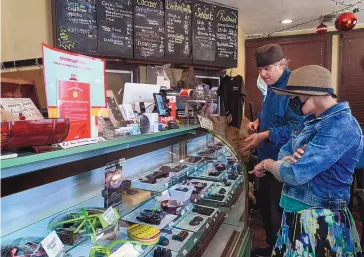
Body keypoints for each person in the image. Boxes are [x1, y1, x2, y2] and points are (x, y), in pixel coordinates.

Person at [250, 65, 364, 256]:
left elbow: (295, 174)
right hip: (298, 216)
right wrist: (288, 160)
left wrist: (267, 164)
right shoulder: (311, 120)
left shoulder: (341, 125)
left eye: (296, 97)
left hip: (319, 221)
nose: (292, 102)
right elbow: (285, 152)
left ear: (313, 94)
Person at [241, 44, 303, 256]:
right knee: (267, 207)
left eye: (267, 68)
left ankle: (282, 251)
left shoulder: (294, 87)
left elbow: (298, 129)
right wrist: (259, 122)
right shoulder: (270, 84)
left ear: (282, 64)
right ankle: (271, 247)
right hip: (265, 158)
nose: (262, 74)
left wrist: (265, 135)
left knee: (279, 211)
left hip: (283, 162)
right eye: (259, 69)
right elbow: (273, 114)